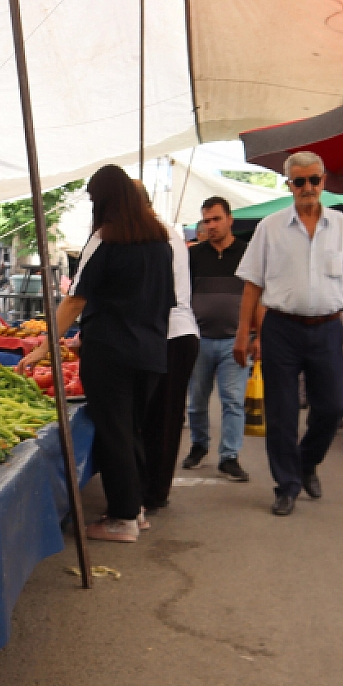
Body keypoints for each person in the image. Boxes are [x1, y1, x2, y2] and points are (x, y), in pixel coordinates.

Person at [20, 164, 172, 543]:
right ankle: (135, 509)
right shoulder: (160, 241)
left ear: (104, 200)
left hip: (112, 354)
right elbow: (159, 301)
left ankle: (121, 519)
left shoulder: (106, 238)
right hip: (150, 350)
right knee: (132, 428)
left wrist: (45, 346)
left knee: (114, 431)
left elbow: (74, 300)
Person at [232, 151, 343, 517]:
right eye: (300, 181)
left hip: (327, 328)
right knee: (282, 413)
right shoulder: (270, 227)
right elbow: (251, 286)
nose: (308, 188)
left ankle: (306, 462)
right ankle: (287, 485)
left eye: (314, 180)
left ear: (324, 181)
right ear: (289, 184)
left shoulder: (341, 225)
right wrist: (243, 334)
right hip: (281, 329)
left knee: (333, 405)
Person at [181, 197, 250, 480]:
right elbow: (182, 296)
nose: (211, 226)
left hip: (235, 341)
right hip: (200, 340)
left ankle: (230, 456)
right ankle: (199, 445)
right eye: (206, 221)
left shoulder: (248, 253)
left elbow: (258, 295)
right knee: (196, 401)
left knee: (233, 401)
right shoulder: (193, 256)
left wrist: (255, 335)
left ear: (230, 219)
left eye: (216, 219)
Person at [139, 196, 200, 511]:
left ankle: (152, 492)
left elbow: (154, 295)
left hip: (169, 334)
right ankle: (154, 489)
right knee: (164, 417)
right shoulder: (165, 233)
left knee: (160, 417)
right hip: (174, 333)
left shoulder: (154, 235)